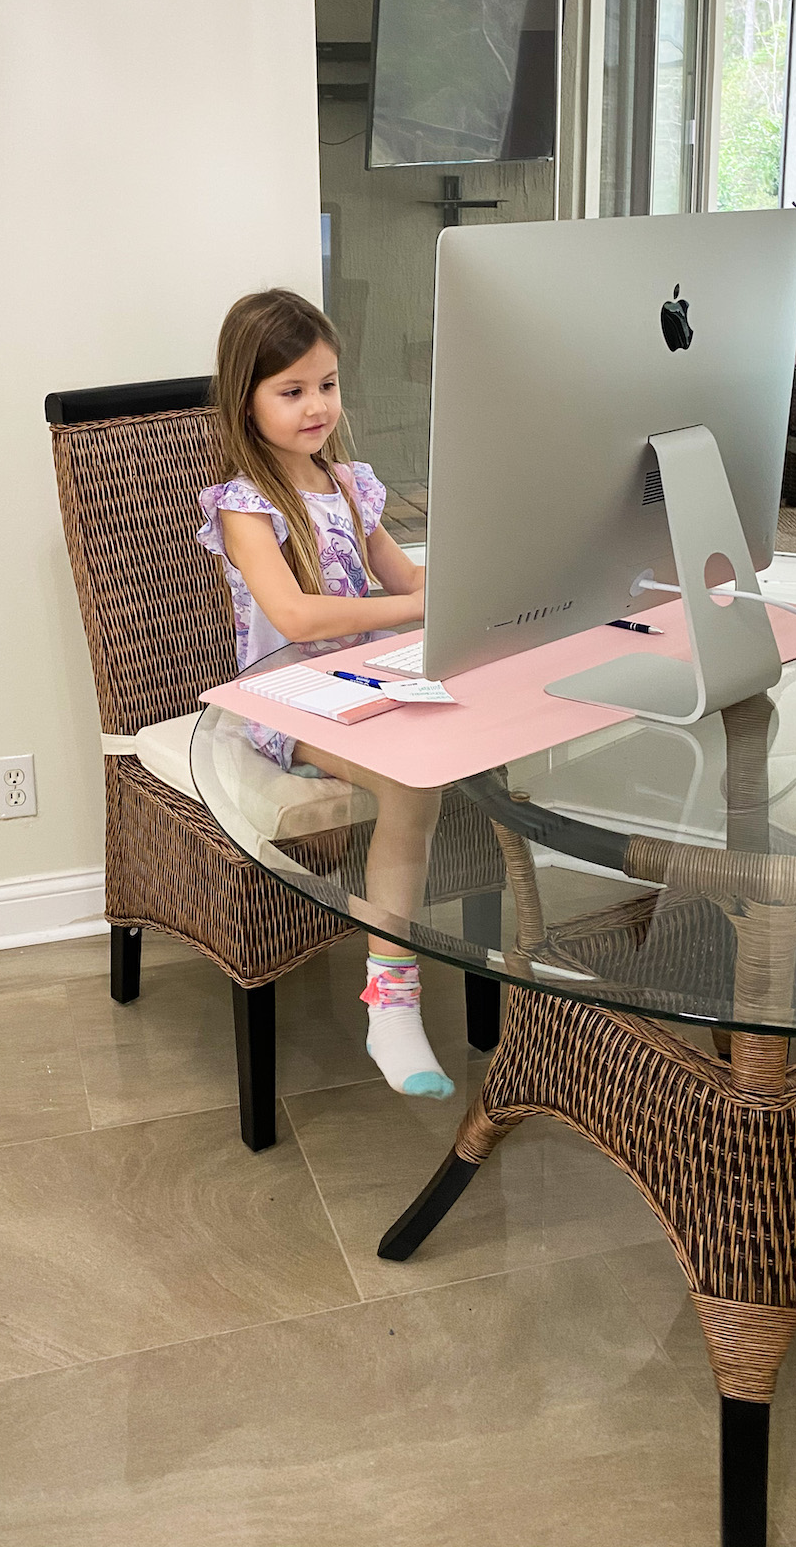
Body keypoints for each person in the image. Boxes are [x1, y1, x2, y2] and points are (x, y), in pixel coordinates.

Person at [196, 287, 454, 1100]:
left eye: (328, 384)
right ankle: (392, 999)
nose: (318, 406)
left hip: (368, 681)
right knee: (410, 785)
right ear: (247, 399)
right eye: (293, 389)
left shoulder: (350, 484)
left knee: (473, 734)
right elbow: (295, 614)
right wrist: (414, 605)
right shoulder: (245, 504)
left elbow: (406, 577)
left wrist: (462, 579)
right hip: (288, 697)